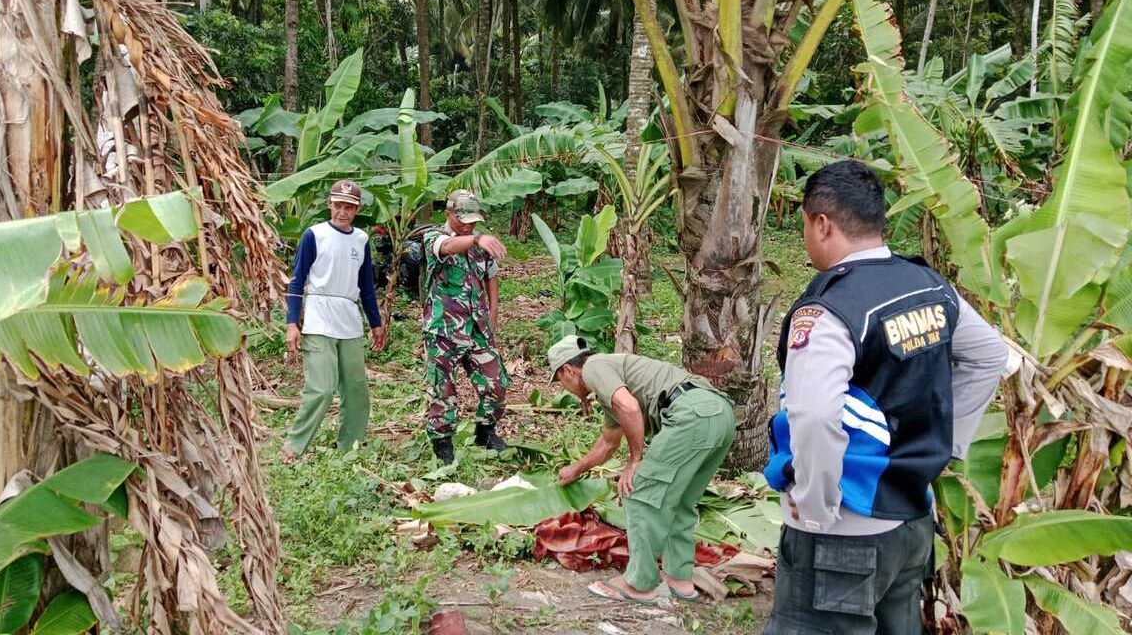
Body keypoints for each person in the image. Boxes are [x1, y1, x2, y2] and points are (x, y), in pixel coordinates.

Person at [763, 160, 1009, 634]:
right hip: (912, 523)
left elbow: (813, 413)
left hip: (845, 531)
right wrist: (944, 447)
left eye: (805, 228)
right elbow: (990, 357)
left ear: (822, 223)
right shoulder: (930, 286)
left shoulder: (831, 309)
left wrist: (816, 508)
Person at [548, 337, 736, 604]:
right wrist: (575, 470)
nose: (564, 388)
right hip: (719, 413)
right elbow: (607, 444)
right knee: (681, 500)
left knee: (640, 492)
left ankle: (639, 583)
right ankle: (679, 577)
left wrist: (635, 460)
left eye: (559, 380)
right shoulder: (610, 382)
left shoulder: (594, 367)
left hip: (690, 415)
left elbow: (630, 407)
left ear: (568, 370)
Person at [280, 180, 385, 463]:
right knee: (322, 388)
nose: (343, 211)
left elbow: (366, 285)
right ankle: (294, 446)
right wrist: (292, 322)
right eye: (338, 205)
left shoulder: (361, 239)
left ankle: (350, 446)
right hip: (318, 315)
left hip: (349, 318)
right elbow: (297, 279)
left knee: (356, 389)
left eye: (349, 207)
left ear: (357, 209)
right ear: (330, 204)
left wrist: (375, 322)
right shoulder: (314, 235)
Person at [422, 189, 509, 465]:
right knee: (443, 390)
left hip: (477, 328)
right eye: (463, 220)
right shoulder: (434, 237)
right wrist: (476, 238)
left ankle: (485, 432)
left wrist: (493, 312)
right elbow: (446, 248)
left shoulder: (479, 245)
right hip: (444, 330)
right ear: (448, 214)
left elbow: (490, 276)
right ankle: (442, 444)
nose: (469, 225)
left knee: (497, 383)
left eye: (473, 221)